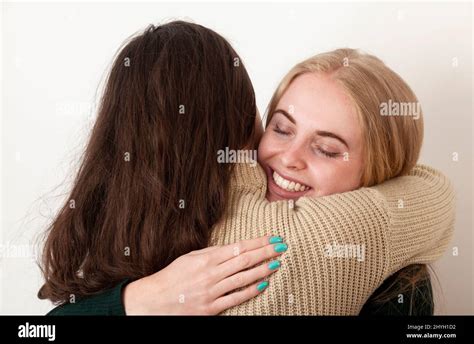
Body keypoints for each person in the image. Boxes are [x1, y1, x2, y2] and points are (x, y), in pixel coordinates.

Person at [40, 22, 454, 316]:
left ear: (381, 173)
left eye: (327, 149)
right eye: (280, 128)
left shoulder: (396, 282)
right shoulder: (185, 211)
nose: (289, 157)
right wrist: (139, 301)